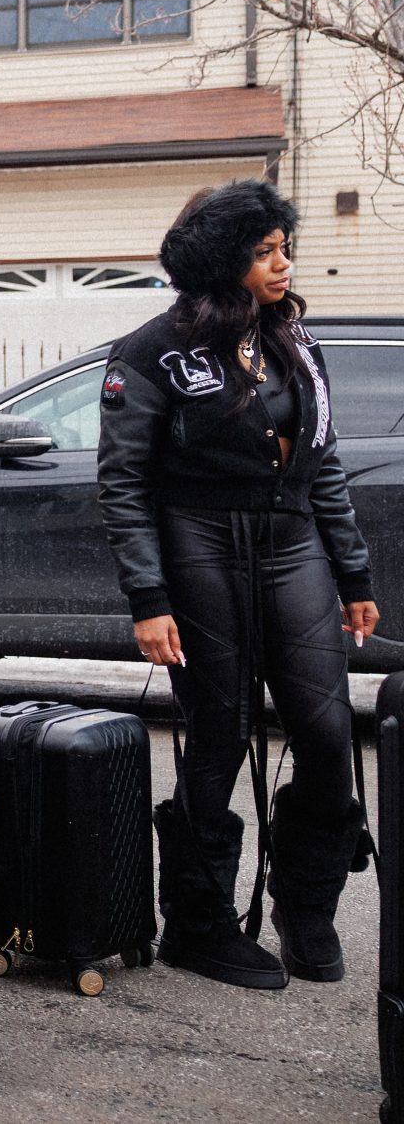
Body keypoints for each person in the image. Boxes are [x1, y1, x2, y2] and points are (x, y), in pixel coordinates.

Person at [97, 180, 378, 990]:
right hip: (201, 544)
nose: (283, 263)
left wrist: (352, 571)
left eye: (284, 247)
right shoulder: (151, 352)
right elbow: (122, 484)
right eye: (264, 252)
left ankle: (306, 903)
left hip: (291, 544)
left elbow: (322, 464)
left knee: (326, 730)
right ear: (225, 262)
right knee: (218, 732)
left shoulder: (295, 341)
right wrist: (149, 599)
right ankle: (198, 921)